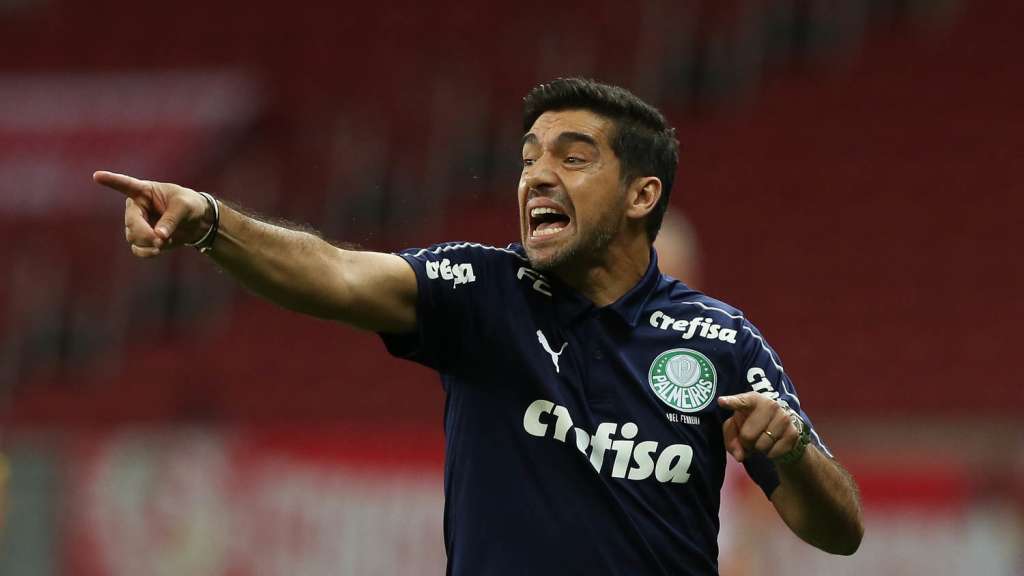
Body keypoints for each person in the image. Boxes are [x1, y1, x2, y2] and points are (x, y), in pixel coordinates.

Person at [95, 78, 862, 575]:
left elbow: (838, 529)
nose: (536, 175)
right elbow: (336, 272)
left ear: (640, 196)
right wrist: (210, 224)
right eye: (529, 157)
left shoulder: (720, 340)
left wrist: (790, 447)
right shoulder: (484, 291)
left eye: (573, 156)